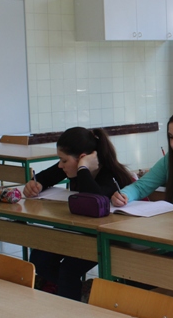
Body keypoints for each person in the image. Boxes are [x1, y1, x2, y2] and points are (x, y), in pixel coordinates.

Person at [23, 127, 135, 300]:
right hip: (79, 230)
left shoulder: (110, 174)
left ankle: (72, 300)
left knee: (68, 271)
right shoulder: (70, 166)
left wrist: (83, 168)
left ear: (82, 157)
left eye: (64, 160)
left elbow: (94, 200)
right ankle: (78, 291)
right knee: (40, 258)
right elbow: (44, 177)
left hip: (105, 237)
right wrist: (34, 184)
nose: (60, 165)